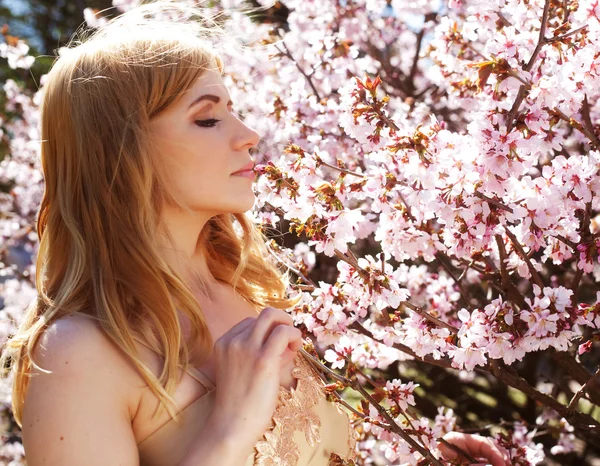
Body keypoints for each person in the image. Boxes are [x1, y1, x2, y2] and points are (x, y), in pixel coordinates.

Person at [0, 2, 509, 465]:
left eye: (233, 110)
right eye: (207, 119)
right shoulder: (78, 354)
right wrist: (229, 428)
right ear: (122, 153)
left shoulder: (247, 291)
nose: (249, 134)